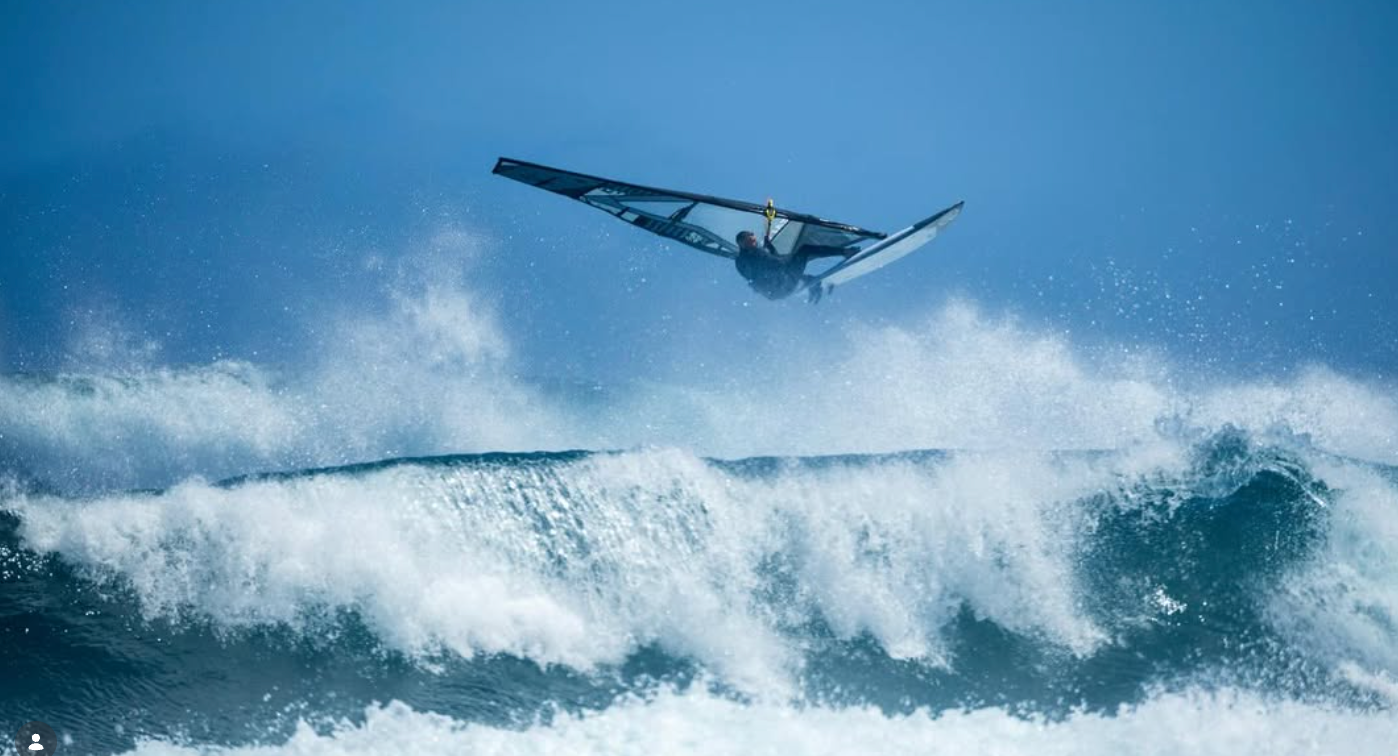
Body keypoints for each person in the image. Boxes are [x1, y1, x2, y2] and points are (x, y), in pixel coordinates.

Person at [733, 230, 854, 302]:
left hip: (773, 293)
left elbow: (771, 267)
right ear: (742, 243)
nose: (754, 243)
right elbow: (780, 263)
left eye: (754, 240)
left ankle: (810, 282)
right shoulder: (756, 253)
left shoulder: (740, 260)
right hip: (783, 284)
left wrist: (770, 248)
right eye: (750, 241)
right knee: (805, 249)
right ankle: (845, 252)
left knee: (786, 271)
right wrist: (793, 256)